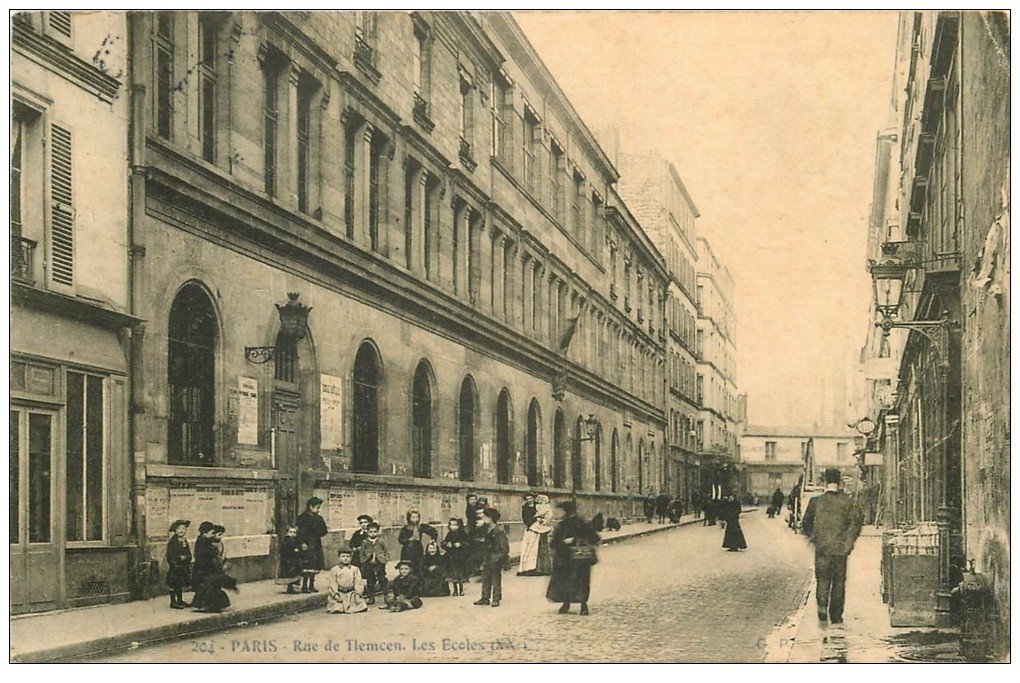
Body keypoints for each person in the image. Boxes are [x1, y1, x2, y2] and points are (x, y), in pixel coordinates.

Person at [801, 468, 863, 625]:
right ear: (840, 481)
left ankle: (822, 605)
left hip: (822, 549)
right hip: (841, 550)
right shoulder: (848, 502)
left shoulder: (816, 501)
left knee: (822, 578)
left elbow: (805, 523)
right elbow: (856, 524)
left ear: (824, 481)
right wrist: (848, 543)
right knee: (839, 582)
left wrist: (815, 538)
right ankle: (836, 615)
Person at [546, 501, 600, 616]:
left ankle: (571, 604)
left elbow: (554, 543)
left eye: (560, 512)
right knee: (580, 581)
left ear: (566, 512)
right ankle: (579, 605)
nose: (558, 514)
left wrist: (573, 540)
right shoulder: (580, 523)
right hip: (577, 559)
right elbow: (595, 538)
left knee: (568, 581)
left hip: (570, 559)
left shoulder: (566, 525)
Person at [474, 507, 510, 607]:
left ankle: (496, 598)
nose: (483, 519)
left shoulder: (499, 531)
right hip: (487, 557)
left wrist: (496, 558)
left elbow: (505, 548)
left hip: (495, 558)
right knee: (485, 577)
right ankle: (485, 598)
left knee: (495, 579)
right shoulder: (485, 529)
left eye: (485, 517)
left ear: (491, 518)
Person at [296, 497, 328, 593]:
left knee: (314, 565)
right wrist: (302, 543)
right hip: (306, 545)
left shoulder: (319, 518)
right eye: (317, 507)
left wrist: (318, 533)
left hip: (316, 544)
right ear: (311, 507)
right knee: (306, 565)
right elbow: (299, 532)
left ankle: (311, 585)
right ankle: (304, 586)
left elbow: (324, 531)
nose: (319, 510)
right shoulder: (302, 518)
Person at [326, 543, 368, 614]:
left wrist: (358, 594)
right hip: (340, 593)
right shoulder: (335, 569)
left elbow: (358, 582)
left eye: (348, 556)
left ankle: (353, 603)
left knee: (360, 605)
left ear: (351, 558)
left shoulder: (355, 569)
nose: (345, 558)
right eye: (343, 556)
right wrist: (335, 594)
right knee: (337, 607)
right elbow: (333, 583)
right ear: (338, 558)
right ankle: (339, 606)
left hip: (351, 593)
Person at [518, 493, 553, 576]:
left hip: (540, 529)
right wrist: (530, 525)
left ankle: (543, 568)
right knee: (528, 548)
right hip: (531, 529)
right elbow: (525, 518)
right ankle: (528, 567)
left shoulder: (539, 506)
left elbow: (547, 515)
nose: (529, 500)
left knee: (541, 547)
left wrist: (541, 521)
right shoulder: (525, 507)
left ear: (533, 499)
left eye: (530, 498)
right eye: (527, 499)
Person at [398, 509, 438, 576]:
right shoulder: (406, 528)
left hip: (418, 549)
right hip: (407, 550)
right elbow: (400, 539)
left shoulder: (421, 527)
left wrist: (433, 539)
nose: (415, 519)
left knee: (419, 566)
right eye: (413, 517)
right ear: (409, 518)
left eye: (417, 517)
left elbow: (432, 531)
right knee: (408, 566)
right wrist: (408, 540)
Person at [358, 521, 389, 605]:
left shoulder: (381, 541)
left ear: (378, 532)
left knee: (382, 578)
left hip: (379, 562)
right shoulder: (365, 542)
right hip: (369, 563)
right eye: (371, 532)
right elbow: (361, 553)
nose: (373, 534)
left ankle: (386, 595)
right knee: (370, 580)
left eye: (375, 532)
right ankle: (371, 596)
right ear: (367, 532)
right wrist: (363, 561)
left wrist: (385, 560)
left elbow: (386, 551)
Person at [190, 521, 218, 608]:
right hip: (203, 568)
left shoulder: (205, 540)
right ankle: (203, 604)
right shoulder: (202, 542)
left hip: (205, 567)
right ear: (205, 533)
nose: (213, 535)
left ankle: (200, 603)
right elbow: (201, 555)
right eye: (212, 533)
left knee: (205, 587)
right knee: (205, 586)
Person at [165, 519, 192, 609]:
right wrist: (178, 559)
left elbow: (188, 553)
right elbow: (170, 555)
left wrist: (187, 558)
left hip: (183, 566)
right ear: (175, 530)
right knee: (173, 584)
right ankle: (173, 602)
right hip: (175, 567)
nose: (182, 531)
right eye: (179, 529)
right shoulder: (173, 541)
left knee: (179, 584)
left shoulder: (184, 540)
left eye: (184, 529)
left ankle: (180, 601)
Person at [441, 518, 470, 596]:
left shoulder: (463, 534)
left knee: (460, 574)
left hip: (460, 556)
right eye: (451, 525)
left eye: (455, 525)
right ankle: (455, 590)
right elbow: (444, 542)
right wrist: (447, 544)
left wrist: (461, 544)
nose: (453, 527)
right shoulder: (449, 534)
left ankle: (461, 589)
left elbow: (468, 543)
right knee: (453, 574)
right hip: (451, 556)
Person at [275, 525, 303, 594]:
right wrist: (294, 550)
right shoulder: (286, 541)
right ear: (287, 533)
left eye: (294, 533)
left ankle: (292, 587)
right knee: (289, 574)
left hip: (294, 560)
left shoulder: (295, 541)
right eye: (291, 532)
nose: (292, 534)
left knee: (294, 574)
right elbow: (284, 551)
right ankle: (290, 587)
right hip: (288, 561)